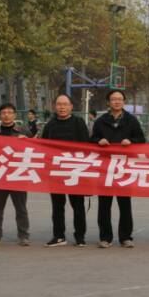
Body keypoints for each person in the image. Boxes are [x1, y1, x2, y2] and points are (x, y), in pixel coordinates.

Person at [92, 89, 145, 248]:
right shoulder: (101, 121)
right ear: (108, 102)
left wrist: (131, 141)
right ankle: (105, 237)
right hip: (105, 167)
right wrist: (98, 140)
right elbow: (92, 138)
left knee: (125, 205)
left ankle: (125, 237)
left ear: (124, 102)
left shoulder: (131, 120)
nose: (117, 102)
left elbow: (141, 139)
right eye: (113, 99)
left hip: (124, 168)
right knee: (104, 205)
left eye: (120, 99)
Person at [40, 94, 91, 246]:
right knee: (57, 206)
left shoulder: (78, 122)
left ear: (71, 107)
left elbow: (86, 146)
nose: (62, 107)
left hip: (75, 171)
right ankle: (59, 236)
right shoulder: (50, 125)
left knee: (78, 206)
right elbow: (42, 146)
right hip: (56, 172)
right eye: (59, 104)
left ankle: (80, 237)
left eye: (65, 104)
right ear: (55, 106)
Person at [0, 103, 32, 247]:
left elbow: (35, 149)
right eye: (4, 112)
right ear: (0, 115)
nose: (6, 115)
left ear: (15, 115)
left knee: (21, 208)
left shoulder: (23, 130)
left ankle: (23, 236)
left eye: (10, 112)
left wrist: (28, 140)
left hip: (17, 174)